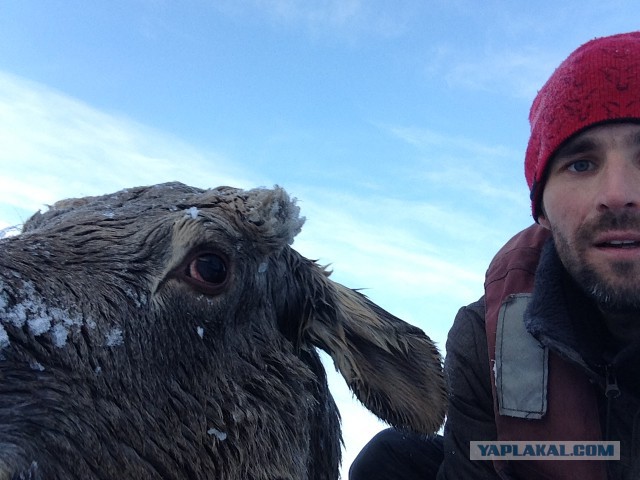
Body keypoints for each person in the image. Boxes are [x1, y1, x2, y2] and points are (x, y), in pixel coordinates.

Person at [349, 31, 640, 480]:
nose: (617, 195)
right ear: (540, 209)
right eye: (581, 164)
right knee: (391, 461)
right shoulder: (484, 338)